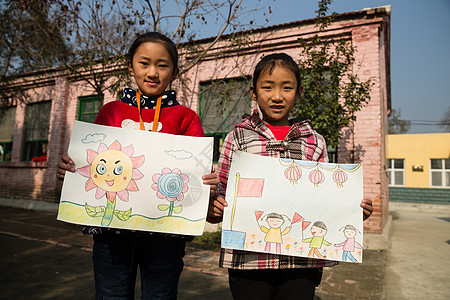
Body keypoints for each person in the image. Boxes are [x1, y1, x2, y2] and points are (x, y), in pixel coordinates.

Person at [57, 32, 219, 300]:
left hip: (165, 237)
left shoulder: (186, 117)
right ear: (130, 66)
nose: (153, 72)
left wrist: (207, 184)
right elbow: (92, 165)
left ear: (175, 71)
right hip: (112, 235)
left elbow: (196, 178)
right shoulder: (111, 112)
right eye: (144, 63)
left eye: (162, 65)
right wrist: (69, 170)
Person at [207, 53, 373, 300]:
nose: (277, 96)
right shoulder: (237, 137)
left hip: (301, 262)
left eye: (287, 87)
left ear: (299, 92)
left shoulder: (314, 141)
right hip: (248, 260)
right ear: (253, 92)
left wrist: (350, 213)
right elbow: (221, 190)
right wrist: (214, 207)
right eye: (268, 87)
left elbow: (326, 198)